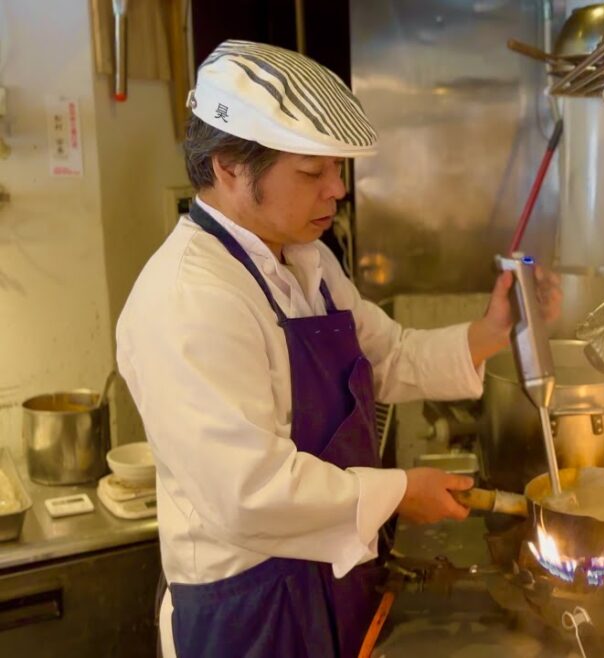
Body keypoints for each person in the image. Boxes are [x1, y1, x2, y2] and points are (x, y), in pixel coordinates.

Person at [116, 40, 561, 658]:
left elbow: (386, 358)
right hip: (251, 609)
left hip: (334, 576)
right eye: (312, 173)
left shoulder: (309, 261)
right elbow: (250, 494)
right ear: (229, 167)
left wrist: (492, 331)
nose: (337, 190)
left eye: (337, 169)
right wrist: (398, 493)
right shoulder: (189, 298)